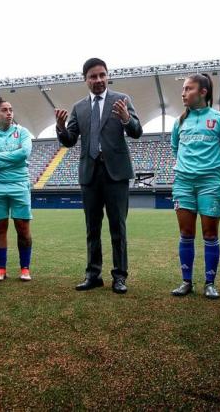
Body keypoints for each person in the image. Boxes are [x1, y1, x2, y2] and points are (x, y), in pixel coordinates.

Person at [55, 58, 143, 294]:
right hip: (90, 174)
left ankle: (120, 276)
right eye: (93, 76)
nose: (99, 80)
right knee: (92, 228)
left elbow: (136, 132)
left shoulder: (122, 100)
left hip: (116, 174)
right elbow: (69, 141)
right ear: (85, 79)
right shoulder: (79, 107)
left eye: (102, 75)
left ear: (107, 75)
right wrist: (61, 127)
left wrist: (126, 117)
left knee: (118, 227)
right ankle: (93, 275)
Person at [170, 74, 220, 299]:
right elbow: (175, 148)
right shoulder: (180, 122)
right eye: (184, 89)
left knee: (210, 234)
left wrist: (210, 165)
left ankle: (210, 282)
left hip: (210, 182)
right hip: (183, 182)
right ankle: (186, 281)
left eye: (188, 89)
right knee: (186, 233)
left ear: (203, 92)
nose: (183, 93)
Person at [0, 97, 34, 282]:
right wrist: (12, 158)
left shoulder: (22, 132)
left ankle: (25, 268)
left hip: (19, 184)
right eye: (4, 110)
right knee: (0, 228)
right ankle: (1, 269)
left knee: (22, 228)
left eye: (11, 109)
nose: (9, 113)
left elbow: (24, 153)